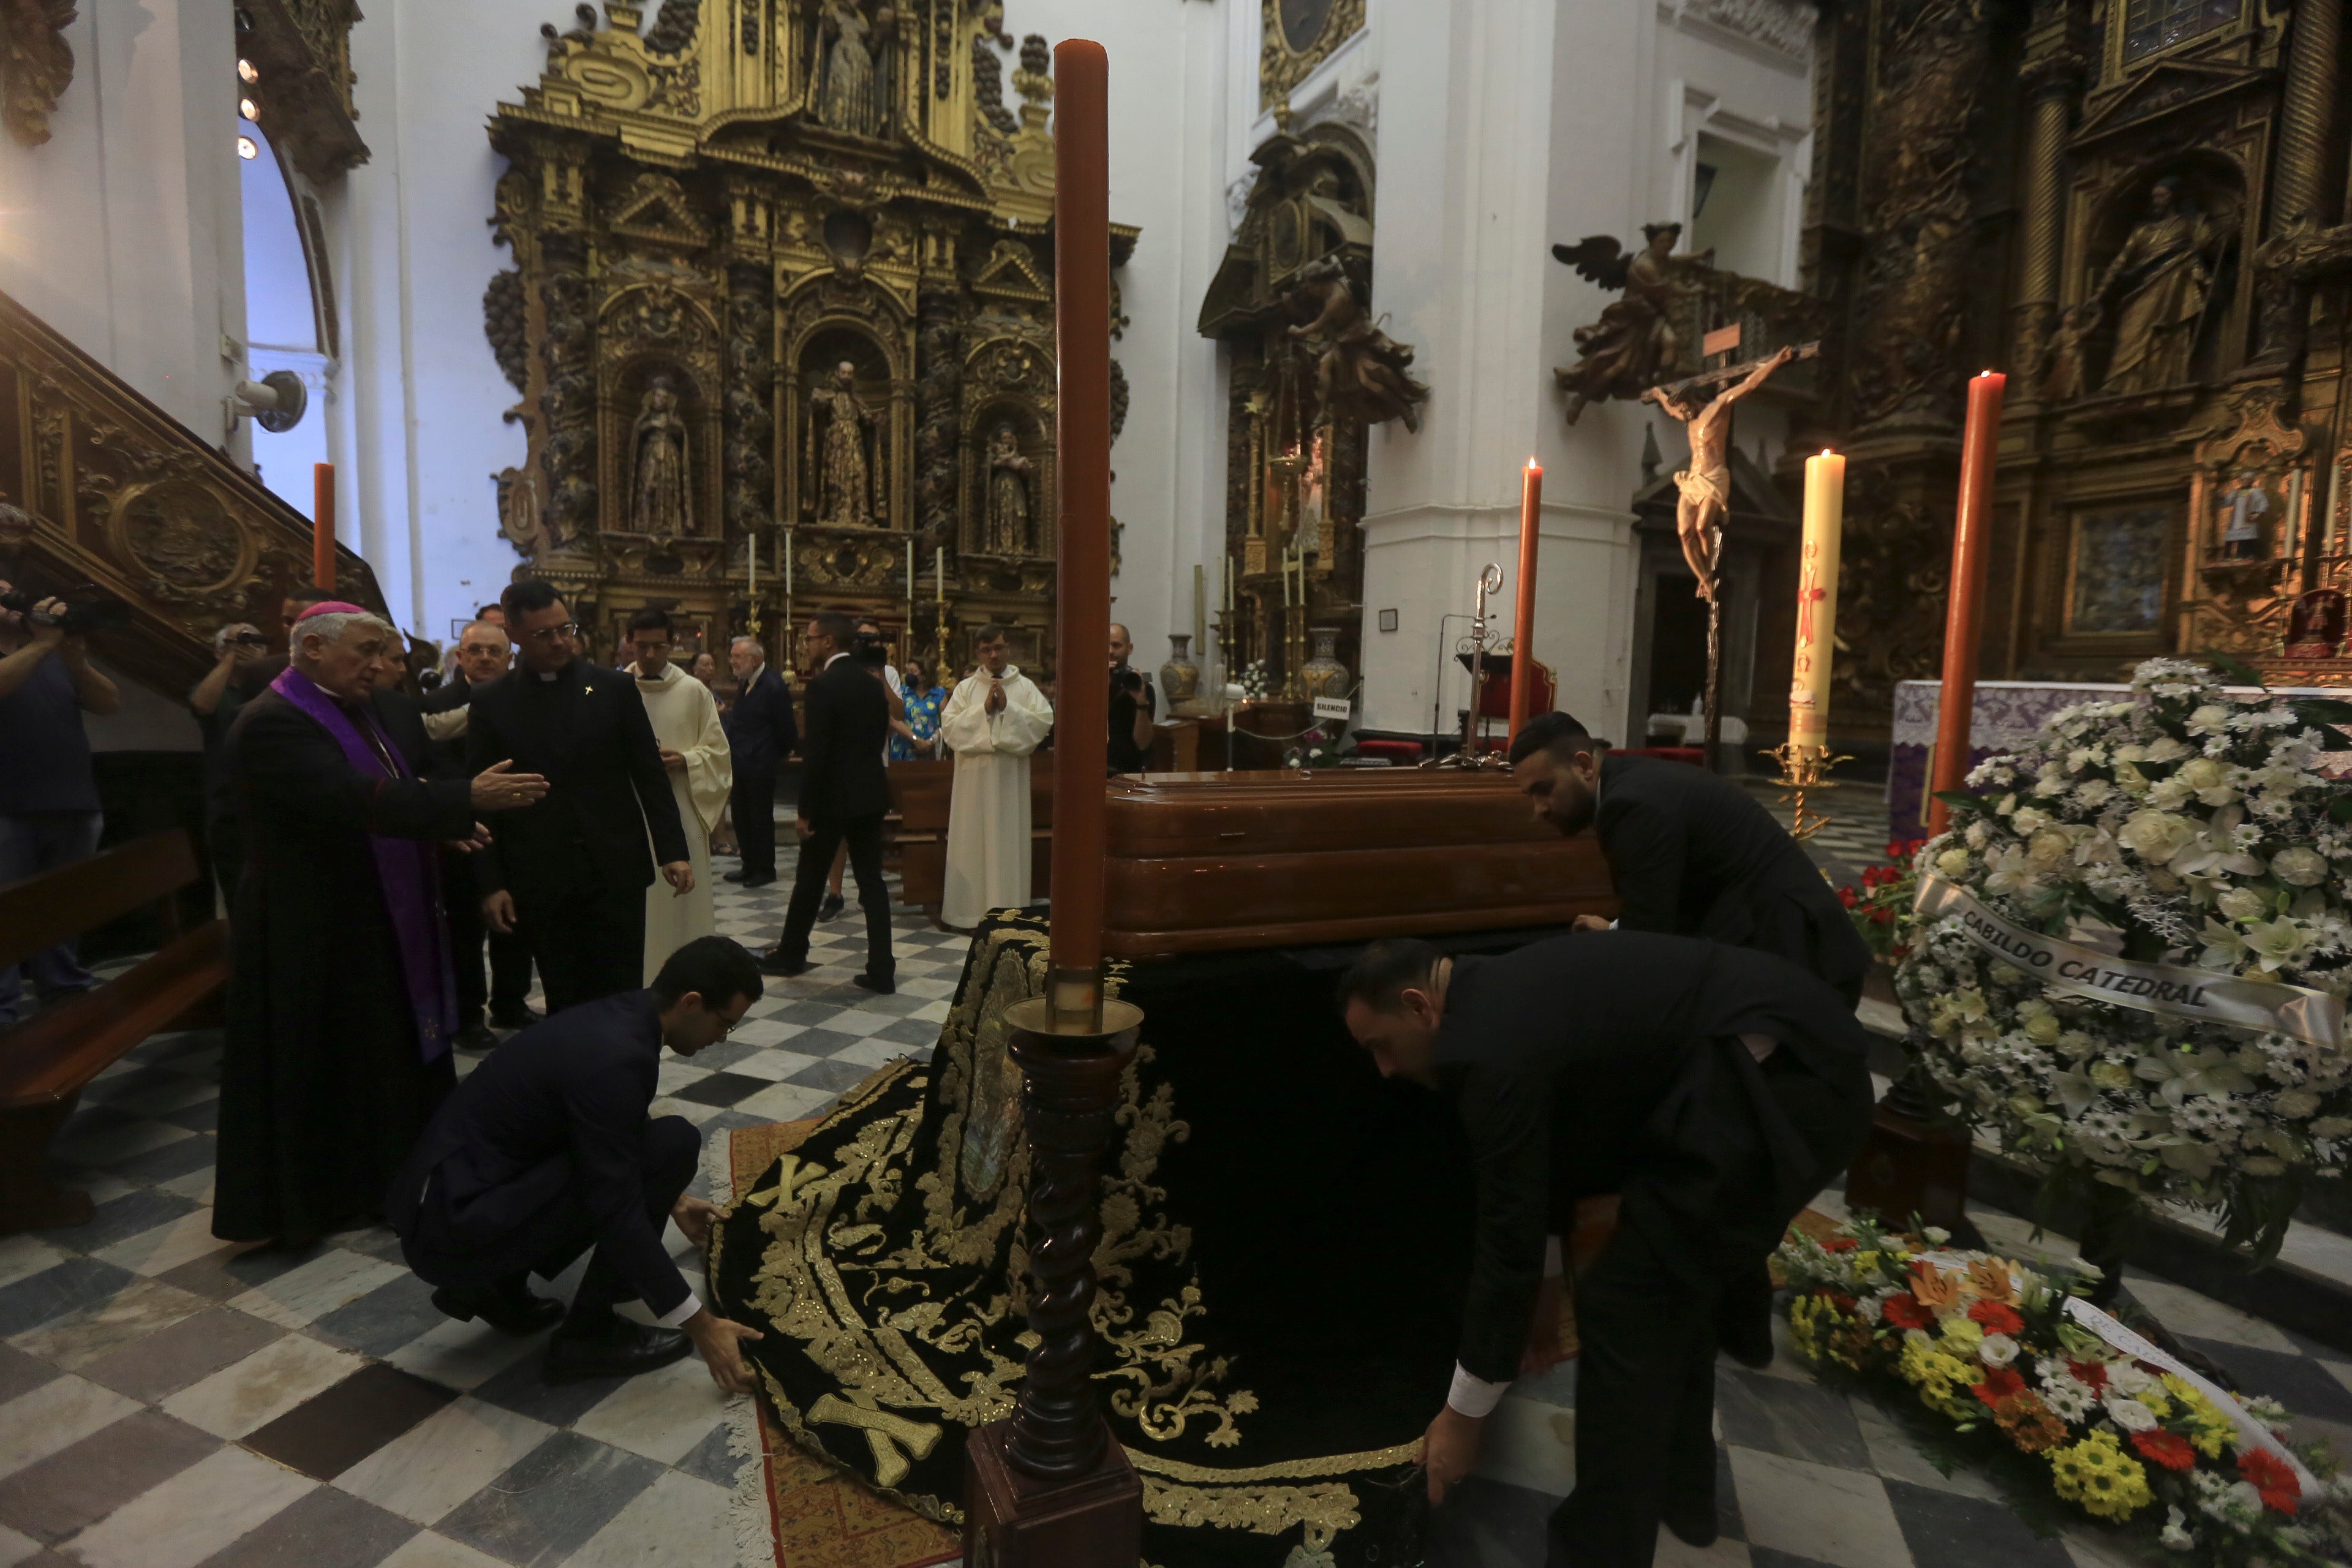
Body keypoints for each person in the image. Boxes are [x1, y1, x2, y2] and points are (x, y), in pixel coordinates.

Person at [1337, 933, 1871, 1567]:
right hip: (1757, 1067)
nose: (1386, 1070)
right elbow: (1557, 1167)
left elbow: (1506, 1237)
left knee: (1626, 1306)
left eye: (1382, 1046)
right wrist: (1543, 1297)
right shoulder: (1488, 996)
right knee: (1669, 1281)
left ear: (1420, 1005)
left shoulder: (1492, 1049)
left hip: (1790, 1084)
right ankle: (1685, 1495)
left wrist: (1464, 1415)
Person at [213, 602, 550, 1247]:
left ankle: (381, 1176)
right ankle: (321, 1195)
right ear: (312, 647)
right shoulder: (275, 722)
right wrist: (461, 800)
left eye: (382, 652)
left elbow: (391, 786)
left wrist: (440, 831)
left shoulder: (353, 710)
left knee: (373, 1050)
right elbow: (349, 798)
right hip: (307, 921)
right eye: (365, 651)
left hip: (361, 910)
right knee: (328, 1058)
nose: (380, 666)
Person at [386, 936, 769, 1388]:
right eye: (725, 1024)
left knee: (654, 1148)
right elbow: (617, 1208)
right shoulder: (620, 1057)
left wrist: (676, 1202)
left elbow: (606, 1131)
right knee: (671, 1146)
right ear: (691, 1003)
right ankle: (590, 1334)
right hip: (453, 1236)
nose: (722, 1038)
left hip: (448, 1206)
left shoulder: (619, 1017)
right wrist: (702, 1324)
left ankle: (495, 1289)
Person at [469, 581, 693, 1016]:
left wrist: (672, 850)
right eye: (543, 634)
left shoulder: (611, 689)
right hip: (539, 873)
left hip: (614, 870)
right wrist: (491, 883)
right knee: (565, 998)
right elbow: (483, 801)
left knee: (623, 992)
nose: (559, 641)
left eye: (564, 628)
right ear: (514, 634)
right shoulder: (493, 702)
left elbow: (648, 774)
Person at [0, 582, 120, 1026]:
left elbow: (109, 703)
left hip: (72, 803)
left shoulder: (51, 658)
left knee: (64, 911)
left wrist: (74, 657)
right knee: (5, 918)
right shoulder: (33, 654)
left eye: (15, 592)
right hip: (7, 807)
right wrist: (43, 644)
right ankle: (3, 1017)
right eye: (3, 594)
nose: (14, 600)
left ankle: (65, 993)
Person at [760, 612, 894, 993]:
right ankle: (882, 970)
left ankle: (791, 954)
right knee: (873, 883)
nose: (807, 645)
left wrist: (805, 812)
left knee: (809, 880)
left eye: (811, 638)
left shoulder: (823, 686)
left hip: (833, 800)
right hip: (870, 795)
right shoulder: (872, 685)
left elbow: (817, 756)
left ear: (829, 642)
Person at [421, 620, 540, 1045]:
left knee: (516, 922)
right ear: (460, 657)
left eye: (495, 651)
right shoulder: (435, 704)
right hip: (461, 828)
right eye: (476, 651)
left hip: (515, 827)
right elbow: (431, 766)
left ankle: (510, 1002)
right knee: (464, 931)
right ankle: (468, 1014)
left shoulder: (526, 702)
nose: (485, 658)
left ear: (510, 658)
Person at [627, 609, 731, 984]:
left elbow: (719, 753)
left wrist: (686, 759)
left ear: (673, 644)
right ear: (629, 643)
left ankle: (684, 977)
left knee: (680, 900)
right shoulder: (615, 687)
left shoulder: (693, 691)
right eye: (642, 646)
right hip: (629, 806)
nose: (651, 654)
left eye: (659, 645)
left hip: (681, 804)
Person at [938, 625, 1052, 930]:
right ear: (978, 652)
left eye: (999, 648)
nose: (994, 655)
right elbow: (949, 728)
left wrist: (1008, 708)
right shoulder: (965, 689)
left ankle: (1008, 915)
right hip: (972, 783)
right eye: (987, 649)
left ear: (1008, 648)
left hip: (1008, 782)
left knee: (1006, 841)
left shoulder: (1025, 687)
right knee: (972, 840)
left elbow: (1043, 723)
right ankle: (968, 912)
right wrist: (984, 710)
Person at [819, 617, 907, 919]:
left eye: (875, 639)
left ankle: (868, 892)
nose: (869, 644)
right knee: (838, 834)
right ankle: (835, 893)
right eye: (863, 639)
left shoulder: (889, 671)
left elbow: (897, 712)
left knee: (869, 833)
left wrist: (879, 674)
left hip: (875, 760)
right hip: (842, 762)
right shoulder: (839, 667)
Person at [190, 621, 276, 910]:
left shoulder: (276, 688)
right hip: (229, 810)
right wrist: (231, 656)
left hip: (275, 804)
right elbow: (202, 705)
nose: (249, 647)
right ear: (217, 653)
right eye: (240, 642)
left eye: (255, 642)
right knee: (240, 898)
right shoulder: (216, 690)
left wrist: (260, 667)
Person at [722, 633, 796, 887]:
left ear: (754, 659)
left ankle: (765, 869)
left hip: (761, 763)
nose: (733, 662)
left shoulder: (773, 685)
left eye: (737, 657)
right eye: (732, 657)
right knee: (742, 817)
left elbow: (786, 726)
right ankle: (749, 865)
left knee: (760, 818)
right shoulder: (747, 682)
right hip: (742, 762)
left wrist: (781, 753)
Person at [1107, 622, 1156, 775]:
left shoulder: (1141, 687)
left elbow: (1143, 744)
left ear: (1130, 649)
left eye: (1116, 646)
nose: (1110, 651)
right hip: (1092, 772)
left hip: (1126, 774)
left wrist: (1141, 703)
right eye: (1106, 645)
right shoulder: (1089, 685)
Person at [892, 655, 947, 760]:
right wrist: (915, 740)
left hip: (930, 749)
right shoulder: (902, 692)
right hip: (904, 749)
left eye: (913, 672)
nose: (908, 675)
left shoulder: (939, 694)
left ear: (925, 675)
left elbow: (946, 723)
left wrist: (930, 741)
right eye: (907, 671)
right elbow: (895, 719)